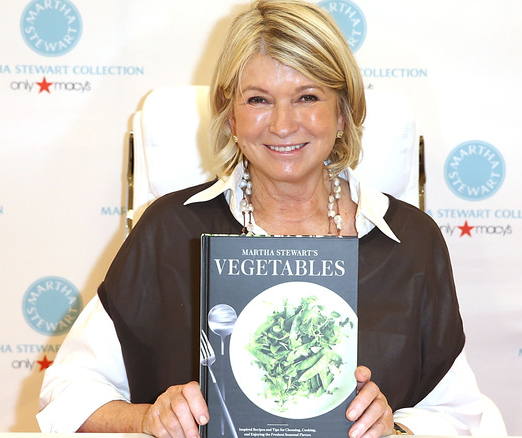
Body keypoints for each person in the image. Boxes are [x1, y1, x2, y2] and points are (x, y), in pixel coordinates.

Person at [38, 0, 483, 436]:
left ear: (343, 113)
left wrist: (397, 430)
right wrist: (148, 418)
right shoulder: (170, 232)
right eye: (258, 100)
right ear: (230, 116)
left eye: (307, 97)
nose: (283, 125)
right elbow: (67, 394)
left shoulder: (410, 242)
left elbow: (459, 416)